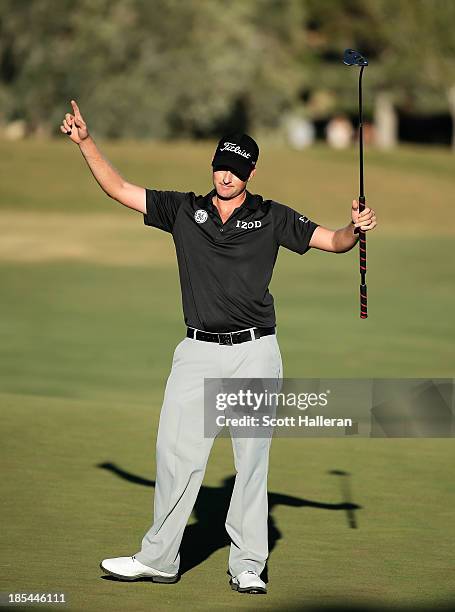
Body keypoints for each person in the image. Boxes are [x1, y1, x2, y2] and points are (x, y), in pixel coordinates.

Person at [60, 100, 377, 595]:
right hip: (197, 352)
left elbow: (331, 241)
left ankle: (247, 564)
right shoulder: (185, 209)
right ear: (213, 166)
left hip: (254, 352)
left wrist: (353, 230)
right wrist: (85, 143)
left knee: (250, 462)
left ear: (250, 171)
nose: (226, 174)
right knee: (173, 455)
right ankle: (158, 559)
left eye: (236, 167)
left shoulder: (272, 217)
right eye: (220, 165)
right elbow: (120, 189)